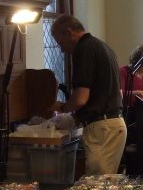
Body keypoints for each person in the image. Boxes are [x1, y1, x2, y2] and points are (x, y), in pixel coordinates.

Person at [50, 15, 127, 175]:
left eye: (60, 43)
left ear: (69, 32)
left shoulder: (83, 50)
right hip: (114, 125)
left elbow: (80, 99)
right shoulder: (102, 47)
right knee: (104, 182)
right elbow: (108, 94)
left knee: (96, 184)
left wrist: (62, 107)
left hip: (102, 129)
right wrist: (76, 118)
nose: (62, 50)